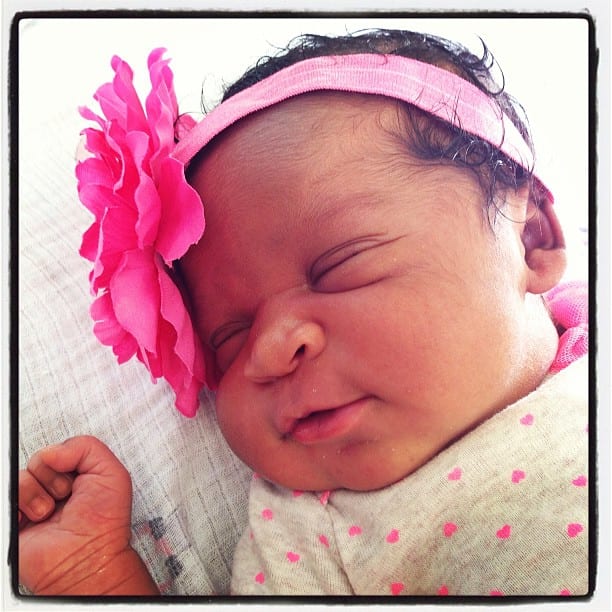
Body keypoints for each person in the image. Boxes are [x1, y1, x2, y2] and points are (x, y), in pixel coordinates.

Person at [18, 29, 589, 596]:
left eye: (340, 268)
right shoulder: (308, 530)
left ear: (530, 239)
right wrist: (93, 575)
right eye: (229, 340)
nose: (268, 349)